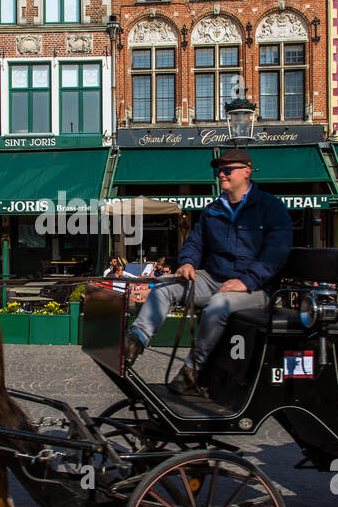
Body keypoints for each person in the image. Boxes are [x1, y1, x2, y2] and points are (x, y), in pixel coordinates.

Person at [124, 148, 291, 395]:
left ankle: (193, 369)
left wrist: (246, 281)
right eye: (218, 171)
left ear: (246, 171)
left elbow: (275, 254)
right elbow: (195, 242)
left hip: (257, 288)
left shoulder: (270, 207)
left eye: (227, 170)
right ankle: (135, 341)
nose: (221, 175)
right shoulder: (213, 210)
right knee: (164, 287)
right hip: (214, 277)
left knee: (218, 305)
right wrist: (188, 262)